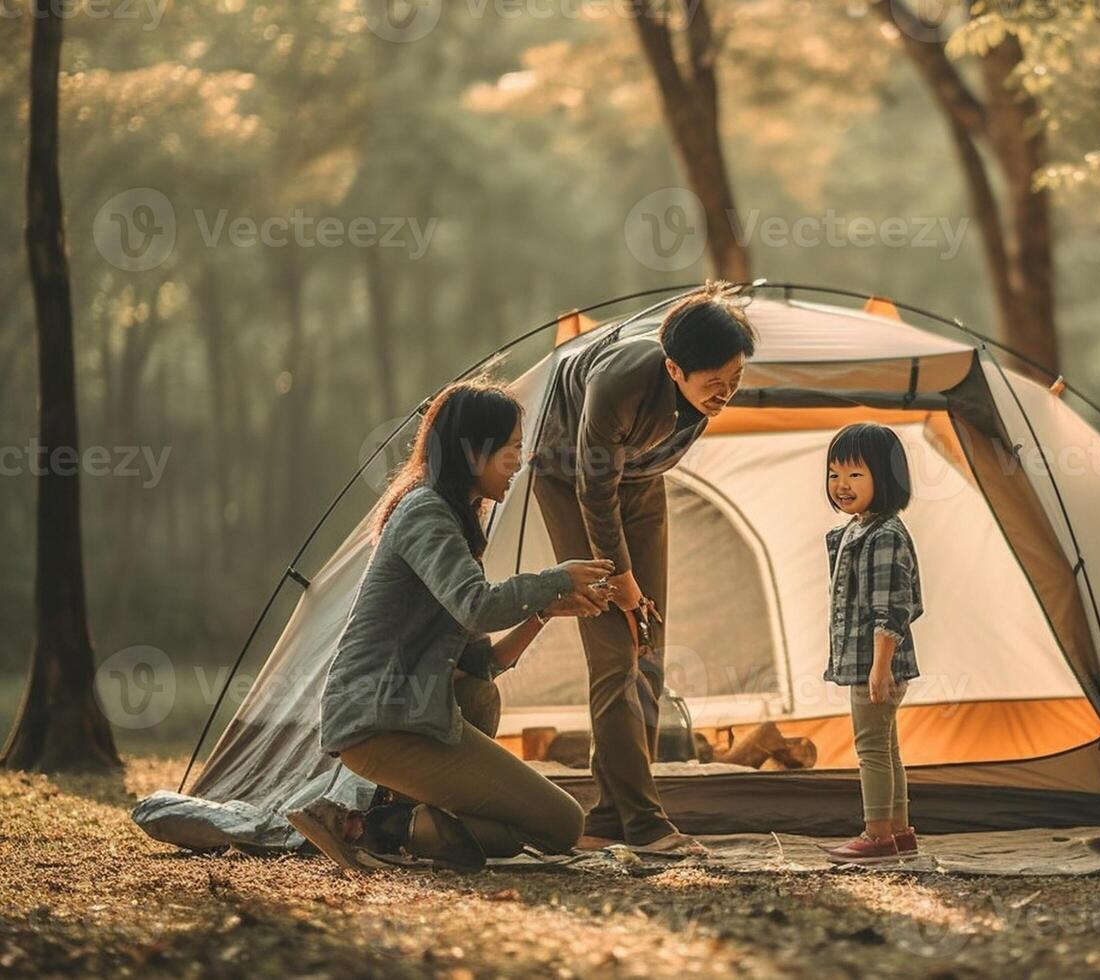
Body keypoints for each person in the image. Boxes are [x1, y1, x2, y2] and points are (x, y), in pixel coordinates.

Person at [289, 381, 618, 872]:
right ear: (472, 450)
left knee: (481, 701)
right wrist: (553, 579)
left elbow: (482, 662)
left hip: (408, 713)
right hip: (378, 723)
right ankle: (373, 828)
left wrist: (546, 610)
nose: (518, 461)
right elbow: (475, 606)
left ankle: (399, 821)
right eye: (510, 449)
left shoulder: (451, 519)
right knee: (562, 826)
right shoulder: (425, 512)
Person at [530, 281, 756, 854]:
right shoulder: (620, 383)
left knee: (648, 643)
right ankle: (646, 824)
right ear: (674, 368)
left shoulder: (704, 391)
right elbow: (593, 488)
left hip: (641, 481)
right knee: (613, 652)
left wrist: (637, 591)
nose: (725, 394)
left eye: (734, 380)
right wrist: (621, 580)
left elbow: (634, 470)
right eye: (714, 383)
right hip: (573, 481)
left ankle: (608, 816)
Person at [817, 423, 926, 865]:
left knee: (872, 748)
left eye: (856, 475)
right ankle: (899, 833)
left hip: (876, 662)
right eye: (834, 474)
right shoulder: (855, 531)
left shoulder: (884, 534)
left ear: (886, 476)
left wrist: (881, 666)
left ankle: (877, 834)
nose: (842, 485)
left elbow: (892, 606)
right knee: (886, 744)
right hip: (870, 662)